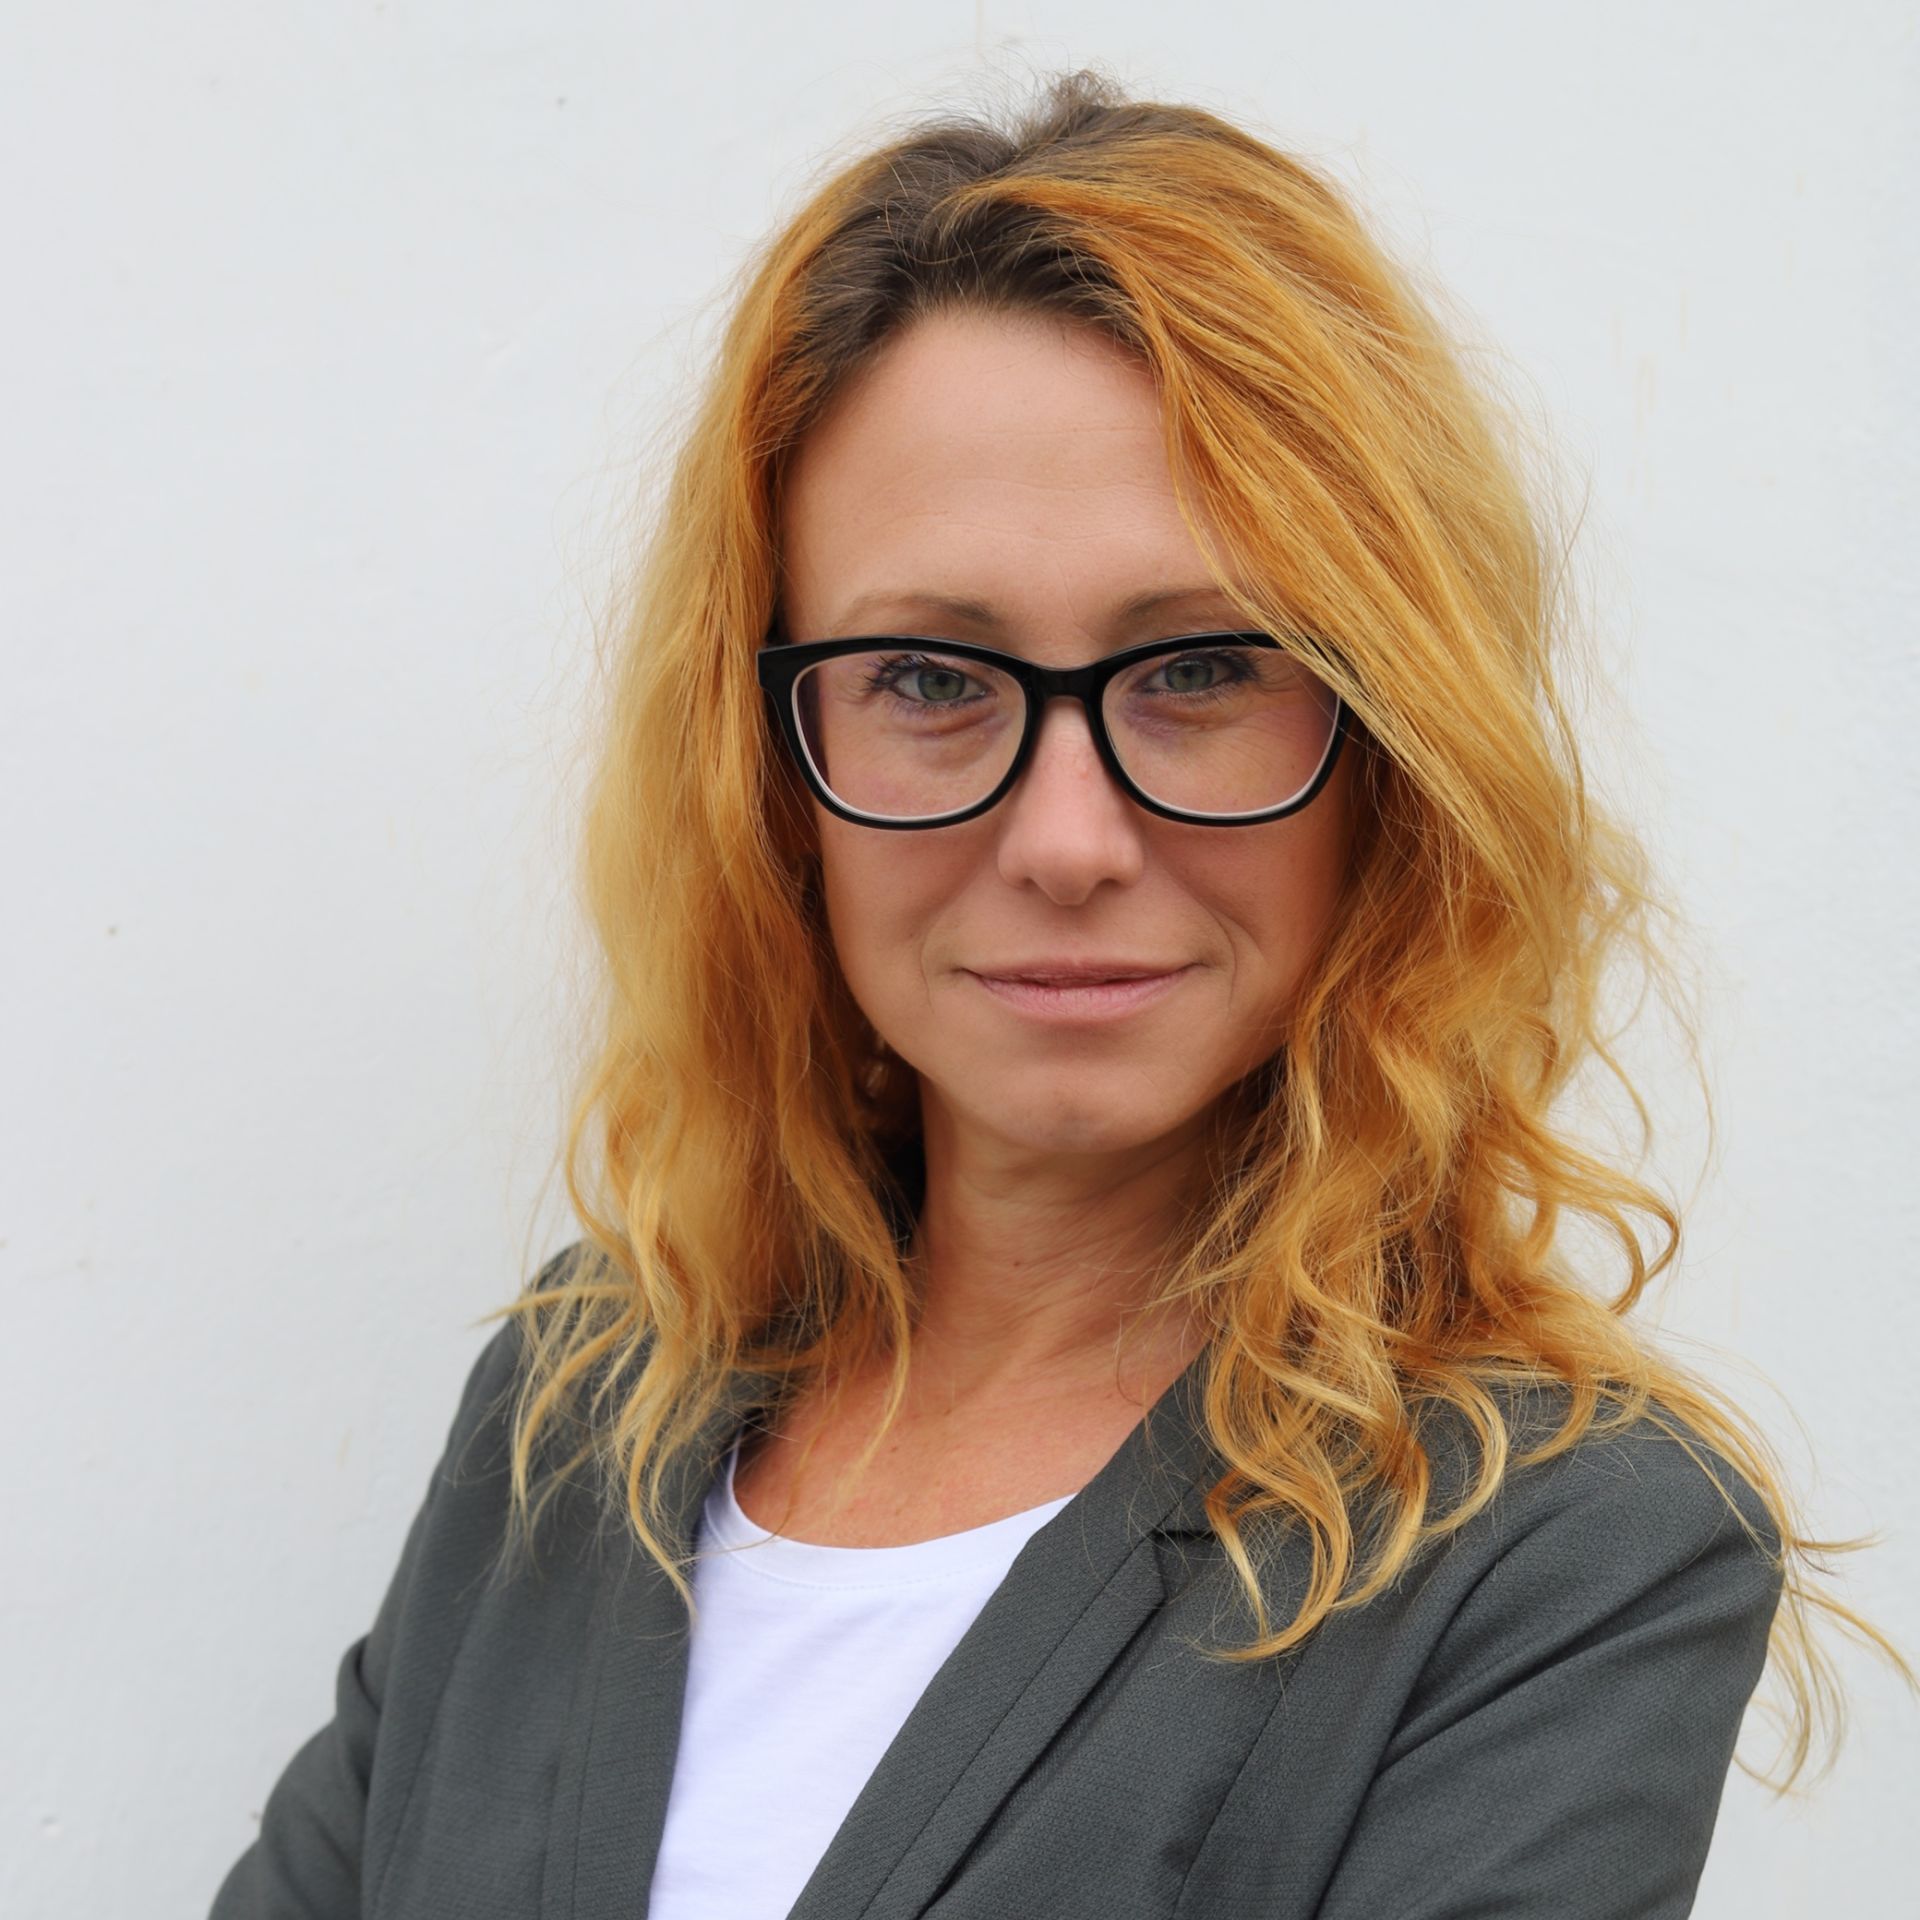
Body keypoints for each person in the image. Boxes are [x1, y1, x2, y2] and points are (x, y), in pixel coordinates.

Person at [208, 67, 1908, 1920]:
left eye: (1201, 670)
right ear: (768, 769)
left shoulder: (1557, 1556)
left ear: (1394, 751)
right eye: (931, 682)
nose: (1070, 839)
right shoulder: (582, 1402)